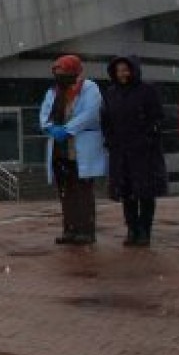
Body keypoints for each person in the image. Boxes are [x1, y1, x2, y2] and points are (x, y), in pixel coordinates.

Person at [101, 56, 168, 247]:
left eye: (125, 69)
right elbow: (106, 119)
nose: (122, 74)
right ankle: (132, 229)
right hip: (121, 151)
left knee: (145, 193)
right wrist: (110, 139)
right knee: (127, 192)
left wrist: (147, 138)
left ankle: (145, 230)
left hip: (144, 152)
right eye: (119, 70)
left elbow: (157, 118)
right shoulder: (111, 93)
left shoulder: (147, 90)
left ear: (133, 70)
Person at [40, 55, 107, 245]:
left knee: (83, 191)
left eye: (63, 72)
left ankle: (86, 230)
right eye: (57, 72)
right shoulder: (53, 92)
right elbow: (44, 113)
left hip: (81, 148)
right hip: (60, 150)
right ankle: (69, 229)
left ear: (74, 72)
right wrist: (50, 127)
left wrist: (69, 129)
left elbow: (91, 113)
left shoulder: (90, 88)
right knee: (65, 191)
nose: (60, 76)